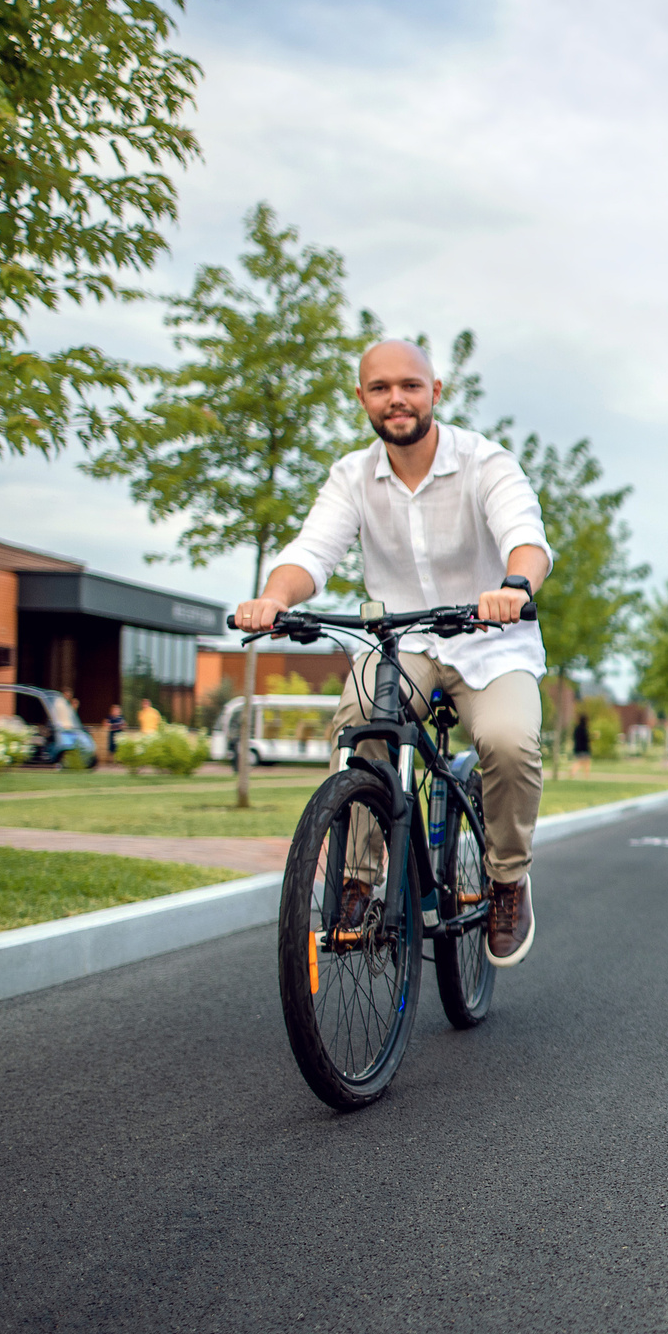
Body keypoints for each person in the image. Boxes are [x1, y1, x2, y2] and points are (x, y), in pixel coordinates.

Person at [233, 339, 553, 967]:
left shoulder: (485, 462)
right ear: (362, 399)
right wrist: (273, 597)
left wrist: (514, 587)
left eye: (410, 385)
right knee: (360, 724)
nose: (396, 399)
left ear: (435, 392)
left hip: (491, 642)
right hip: (402, 644)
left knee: (510, 742)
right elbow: (311, 552)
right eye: (380, 388)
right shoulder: (352, 475)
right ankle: (357, 878)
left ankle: (508, 878)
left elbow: (526, 538)